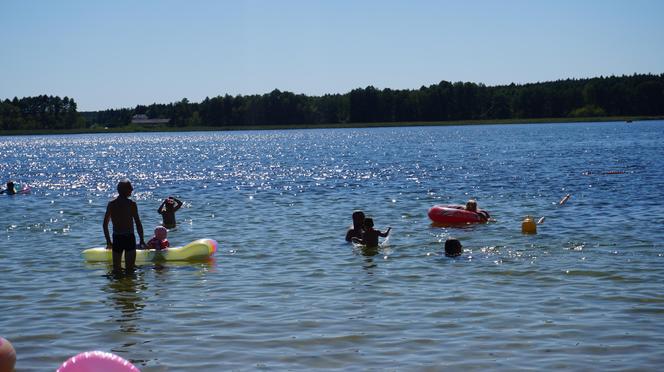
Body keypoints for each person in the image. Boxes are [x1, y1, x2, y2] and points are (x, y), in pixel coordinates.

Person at [103, 180, 146, 273]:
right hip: (129, 237)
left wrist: (108, 241)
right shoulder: (131, 204)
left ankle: (120, 286)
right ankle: (128, 286)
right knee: (130, 270)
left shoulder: (112, 204)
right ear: (124, 190)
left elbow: (105, 225)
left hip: (117, 237)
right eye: (130, 188)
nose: (132, 189)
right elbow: (138, 223)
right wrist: (142, 239)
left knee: (116, 270)